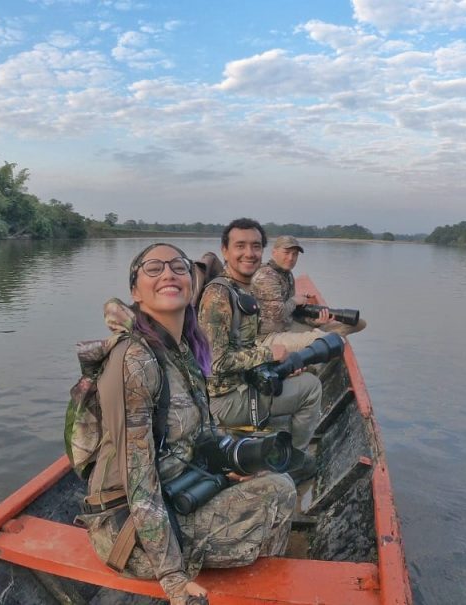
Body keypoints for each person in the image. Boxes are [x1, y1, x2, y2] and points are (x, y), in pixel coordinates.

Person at [77, 242, 296, 605]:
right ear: (135, 291)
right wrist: (173, 578)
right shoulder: (135, 360)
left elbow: (195, 436)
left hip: (173, 490)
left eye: (178, 267)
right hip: (125, 531)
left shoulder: (182, 349)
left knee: (267, 473)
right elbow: (139, 480)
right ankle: (265, 592)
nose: (168, 274)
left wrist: (232, 467)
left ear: (191, 284)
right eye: (153, 268)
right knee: (281, 491)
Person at [196, 219, 322, 473]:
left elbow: (244, 346)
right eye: (240, 246)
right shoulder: (219, 296)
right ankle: (293, 463)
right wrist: (268, 354)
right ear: (225, 250)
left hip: (244, 381)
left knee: (305, 370)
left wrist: (278, 364)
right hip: (223, 400)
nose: (249, 253)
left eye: (255, 246)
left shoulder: (244, 289)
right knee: (312, 389)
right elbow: (215, 363)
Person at [251, 235, 367, 353]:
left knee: (358, 323)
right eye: (286, 252)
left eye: (295, 254)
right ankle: (320, 342)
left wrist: (314, 322)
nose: (291, 258)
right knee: (329, 339)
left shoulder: (287, 275)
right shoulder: (266, 276)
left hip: (287, 326)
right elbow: (277, 315)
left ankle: (320, 338)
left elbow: (293, 312)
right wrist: (295, 301)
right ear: (274, 252)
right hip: (267, 337)